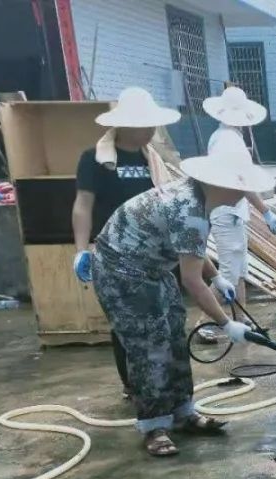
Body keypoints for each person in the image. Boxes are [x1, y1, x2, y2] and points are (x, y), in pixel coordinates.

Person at [90, 130, 272, 457]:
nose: (244, 194)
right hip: (120, 270)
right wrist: (226, 324)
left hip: (153, 267)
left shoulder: (199, 200)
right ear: (221, 184)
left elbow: (195, 258)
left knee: (175, 332)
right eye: (240, 187)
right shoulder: (190, 210)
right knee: (150, 345)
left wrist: (217, 279)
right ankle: (154, 426)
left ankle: (184, 411)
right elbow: (191, 280)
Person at [72, 86, 179, 397]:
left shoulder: (154, 160)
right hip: (115, 254)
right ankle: (134, 385)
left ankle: (163, 381)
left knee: (164, 320)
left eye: (152, 125)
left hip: (155, 254)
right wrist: (81, 249)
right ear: (125, 125)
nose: (150, 132)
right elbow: (83, 204)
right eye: (144, 126)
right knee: (126, 325)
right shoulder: (94, 159)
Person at [201, 85, 276, 309]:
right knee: (228, 273)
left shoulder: (226, 137)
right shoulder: (227, 141)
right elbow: (240, 182)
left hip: (233, 211)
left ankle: (245, 320)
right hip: (226, 211)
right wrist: (266, 212)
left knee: (239, 271)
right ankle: (207, 322)